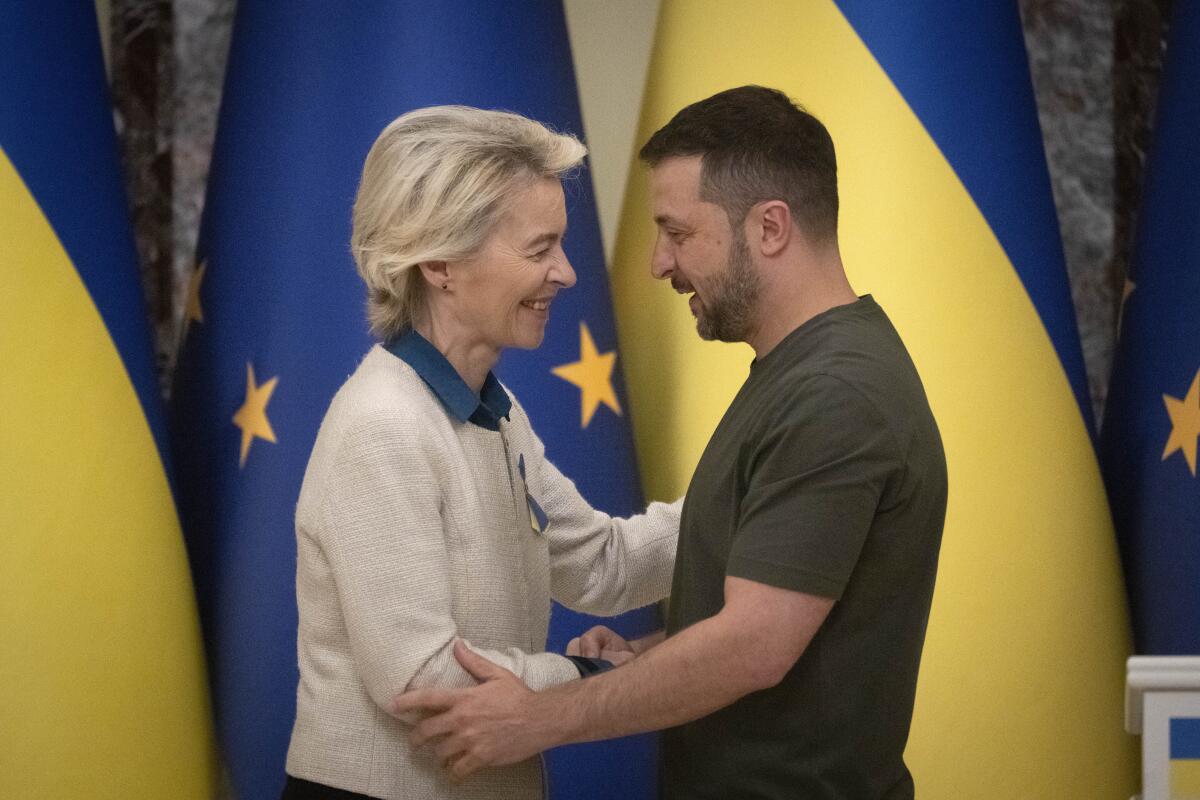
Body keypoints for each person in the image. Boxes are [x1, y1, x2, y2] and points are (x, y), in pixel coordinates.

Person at [393, 86, 948, 799]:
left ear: (770, 228)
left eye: (678, 232)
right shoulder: (800, 373)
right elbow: (783, 610)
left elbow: (753, 646)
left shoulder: (833, 395)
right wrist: (641, 660)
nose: (658, 262)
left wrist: (539, 718)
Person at [281, 105, 680, 800]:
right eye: (540, 249)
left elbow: (602, 564)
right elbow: (420, 678)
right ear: (439, 260)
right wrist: (597, 681)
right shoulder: (383, 424)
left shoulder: (492, 413)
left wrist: (752, 504)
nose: (567, 273)